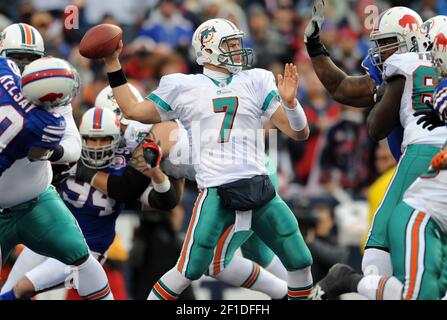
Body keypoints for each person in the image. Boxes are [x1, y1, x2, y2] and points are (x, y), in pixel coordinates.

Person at [98, 18, 313, 300]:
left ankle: (308, 294)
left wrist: (292, 104)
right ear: (208, 49)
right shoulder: (182, 87)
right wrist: (112, 62)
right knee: (196, 266)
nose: (239, 49)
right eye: (231, 44)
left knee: (298, 258)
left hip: (259, 180)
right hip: (217, 188)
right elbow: (134, 111)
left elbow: (300, 132)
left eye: (238, 42)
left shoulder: (256, 79)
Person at [305, 1, 446, 278]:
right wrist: (316, 48)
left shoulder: (404, 67)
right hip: (432, 164)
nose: (381, 51)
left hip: (418, 161)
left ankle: (354, 283)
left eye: (389, 42)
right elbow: (343, 87)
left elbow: (374, 126)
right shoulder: (419, 69)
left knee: (382, 242)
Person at [0, 56, 113, 300]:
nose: (21, 64)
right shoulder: (44, 123)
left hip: (36, 200)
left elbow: (72, 145)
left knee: (81, 256)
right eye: (17, 57)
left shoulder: (4, 69)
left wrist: (53, 151)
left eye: (29, 58)